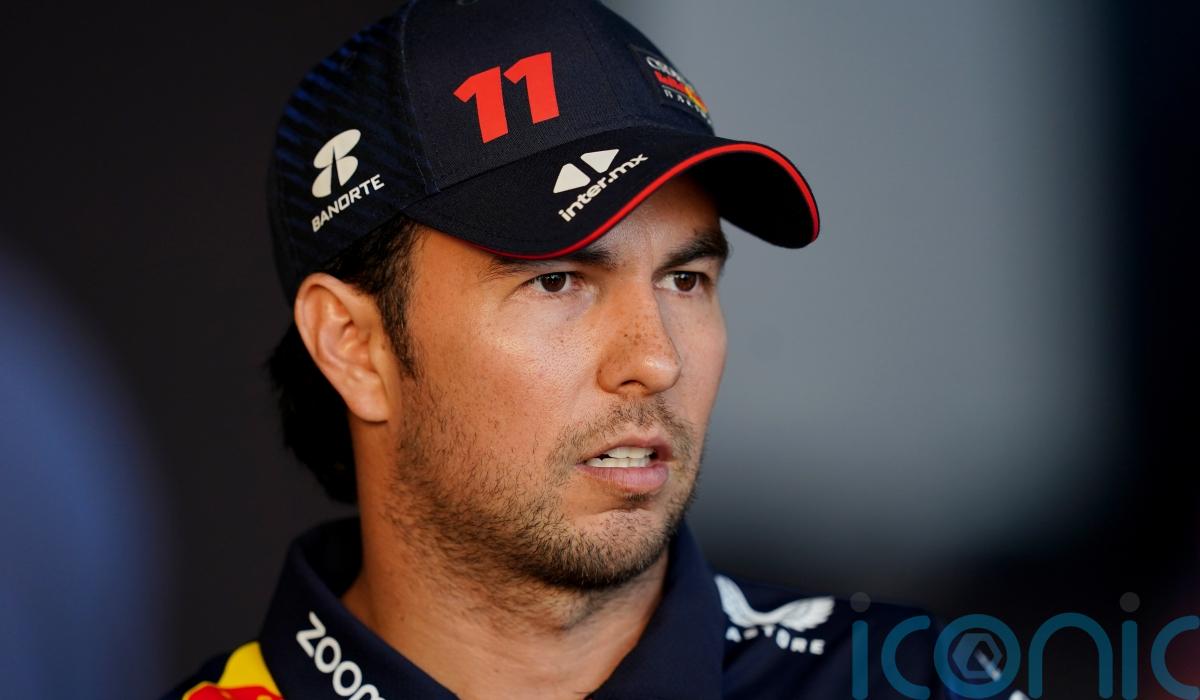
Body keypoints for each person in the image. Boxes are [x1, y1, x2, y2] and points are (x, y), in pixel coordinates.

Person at [164, 1, 959, 698]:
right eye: (557, 281)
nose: (657, 360)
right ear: (354, 347)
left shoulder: (915, 681)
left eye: (684, 279)